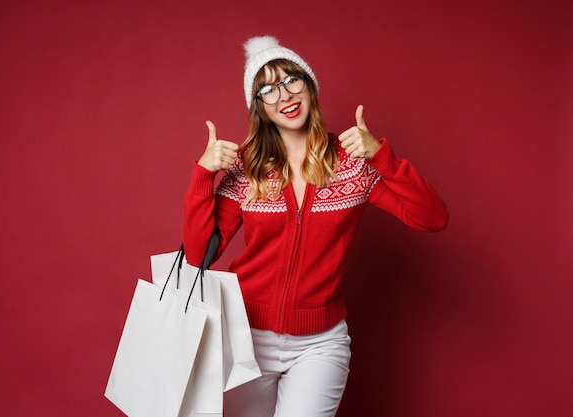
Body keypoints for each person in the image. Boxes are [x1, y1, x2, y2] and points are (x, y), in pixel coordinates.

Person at [182, 35, 448, 417]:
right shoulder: (247, 167)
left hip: (320, 344)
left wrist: (382, 157)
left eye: (291, 80)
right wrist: (202, 178)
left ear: (309, 85)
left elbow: (432, 217)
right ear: (258, 107)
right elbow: (197, 254)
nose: (284, 96)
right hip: (244, 339)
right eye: (267, 90)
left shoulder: (353, 163)